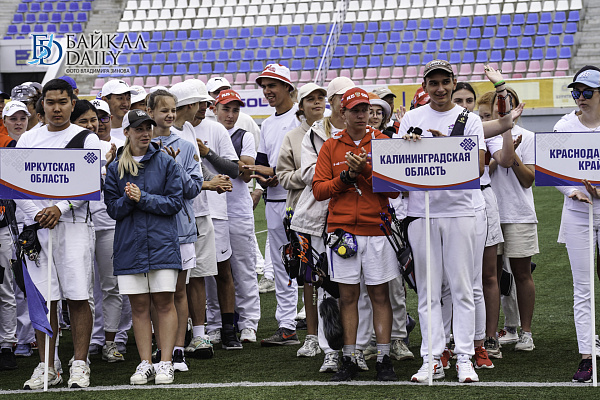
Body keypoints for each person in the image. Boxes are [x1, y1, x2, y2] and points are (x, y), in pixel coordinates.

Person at [399, 60, 486, 383]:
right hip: (421, 212)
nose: (439, 89)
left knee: (462, 288)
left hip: (459, 210)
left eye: (444, 82)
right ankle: (432, 358)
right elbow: (398, 165)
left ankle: (464, 357)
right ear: (424, 86)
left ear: (453, 82)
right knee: (428, 290)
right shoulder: (412, 118)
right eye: (433, 83)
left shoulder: (469, 119)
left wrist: (444, 147)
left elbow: (478, 166)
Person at [16, 78, 101, 389]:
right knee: (45, 299)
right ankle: (47, 365)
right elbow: (15, 183)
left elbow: (91, 181)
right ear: (42, 105)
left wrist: (60, 208)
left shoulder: (86, 138)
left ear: (72, 103)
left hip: (75, 226)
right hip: (37, 228)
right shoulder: (28, 139)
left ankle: (79, 363)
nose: (56, 108)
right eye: (50, 103)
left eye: (62, 102)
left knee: (78, 296)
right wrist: (38, 215)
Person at [313, 87, 400, 382]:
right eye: (356, 110)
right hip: (342, 233)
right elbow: (319, 190)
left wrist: (364, 171)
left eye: (365, 109)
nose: (362, 115)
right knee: (348, 296)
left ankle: (384, 359)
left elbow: (393, 190)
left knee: (379, 295)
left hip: (377, 230)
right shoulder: (331, 146)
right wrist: (346, 177)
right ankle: (348, 358)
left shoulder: (383, 142)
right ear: (343, 112)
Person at [104, 110, 183, 385]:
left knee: (164, 303)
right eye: (138, 128)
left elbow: (175, 203)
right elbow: (112, 209)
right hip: (130, 246)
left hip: (162, 244)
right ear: (126, 132)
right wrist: (129, 199)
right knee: (138, 307)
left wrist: (142, 197)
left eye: (148, 127)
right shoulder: (115, 167)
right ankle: (145, 363)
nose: (145, 133)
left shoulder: (166, 162)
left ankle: (166, 362)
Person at [244, 64, 301, 346]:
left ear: (287, 87)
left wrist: (278, 172)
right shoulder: (266, 124)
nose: (267, 91)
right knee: (281, 265)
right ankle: (287, 325)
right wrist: (263, 178)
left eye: (272, 85)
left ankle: (324, 325)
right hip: (276, 201)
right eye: (264, 86)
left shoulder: (302, 117)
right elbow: (263, 164)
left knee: (315, 264)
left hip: (303, 200)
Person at [148, 89, 203, 370]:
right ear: (150, 113)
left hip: (181, 229)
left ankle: (178, 349)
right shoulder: (140, 146)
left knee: (179, 291)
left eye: (173, 110)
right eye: (164, 110)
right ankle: (162, 349)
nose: (170, 115)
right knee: (157, 293)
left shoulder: (186, 146)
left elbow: (193, 189)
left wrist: (174, 166)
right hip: (151, 230)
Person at [553, 65, 600, 383]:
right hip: (577, 213)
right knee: (582, 287)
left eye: (587, 92)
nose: (580, 97)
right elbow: (553, 169)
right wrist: (571, 191)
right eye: (576, 92)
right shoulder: (564, 126)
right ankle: (587, 356)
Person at [189, 80, 242, 350]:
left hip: (216, 210)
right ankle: (195, 330)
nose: (204, 107)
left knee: (223, 271)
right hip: (187, 210)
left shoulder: (216, 128)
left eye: (206, 103)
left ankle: (229, 328)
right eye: (199, 103)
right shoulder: (177, 130)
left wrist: (207, 152)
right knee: (191, 275)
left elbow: (234, 169)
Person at [276, 83, 327, 358]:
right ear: (301, 106)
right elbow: (283, 176)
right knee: (309, 276)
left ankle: (335, 333)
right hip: (303, 213)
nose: (317, 103)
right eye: (311, 99)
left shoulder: (334, 130)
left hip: (333, 211)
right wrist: (312, 175)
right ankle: (312, 335)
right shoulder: (293, 137)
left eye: (321, 98)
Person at [489, 86, 538, 353]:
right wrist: (502, 153)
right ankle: (495, 333)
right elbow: (481, 171)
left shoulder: (528, 136)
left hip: (519, 212)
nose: (503, 108)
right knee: (492, 277)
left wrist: (513, 153)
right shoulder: (484, 135)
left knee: (522, 273)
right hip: (490, 213)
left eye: (508, 104)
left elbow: (528, 180)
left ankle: (526, 332)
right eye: (499, 105)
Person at [213, 89, 261, 343]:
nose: (230, 115)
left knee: (244, 268)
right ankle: (215, 322)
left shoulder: (244, 135)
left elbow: (245, 172)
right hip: (214, 208)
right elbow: (240, 167)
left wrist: (216, 158)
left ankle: (248, 323)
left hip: (238, 209)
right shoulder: (208, 132)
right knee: (213, 271)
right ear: (215, 109)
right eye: (226, 109)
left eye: (235, 110)